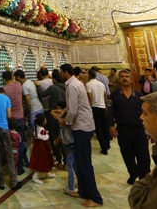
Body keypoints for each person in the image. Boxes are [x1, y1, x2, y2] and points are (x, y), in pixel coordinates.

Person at [59, 64, 103, 207]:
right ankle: (83, 191)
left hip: (82, 127)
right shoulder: (75, 83)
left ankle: (95, 198)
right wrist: (64, 111)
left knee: (84, 163)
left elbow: (73, 110)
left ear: (66, 72)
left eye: (61, 72)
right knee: (78, 162)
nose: (60, 75)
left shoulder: (72, 86)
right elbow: (73, 105)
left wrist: (64, 121)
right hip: (82, 125)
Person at [107, 70, 151, 184]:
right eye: (122, 77)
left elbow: (146, 113)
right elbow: (110, 111)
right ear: (119, 79)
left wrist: (149, 128)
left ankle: (144, 179)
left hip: (139, 130)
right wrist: (110, 125)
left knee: (143, 156)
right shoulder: (114, 95)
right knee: (127, 155)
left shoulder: (139, 96)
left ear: (131, 80)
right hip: (123, 130)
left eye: (127, 76)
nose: (124, 78)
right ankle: (133, 173)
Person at [0, 87, 23, 191]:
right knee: (9, 155)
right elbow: (9, 115)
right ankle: (13, 182)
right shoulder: (6, 98)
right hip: (3, 128)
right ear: (3, 92)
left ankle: (1, 183)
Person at [37, 72, 67, 168]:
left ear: (54, 79)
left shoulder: (53, 87)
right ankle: (66, 163)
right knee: (63, 137)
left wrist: (37, 86)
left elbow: (41, 94)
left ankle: (59, 160)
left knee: (54, 136)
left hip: (54, 114)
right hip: (64, 113)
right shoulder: (66, 86)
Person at [3, 69, 29, 173]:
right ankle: (20, 167)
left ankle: (12, 168)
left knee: (11, 144)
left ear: (4, 80)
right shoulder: (18, 85)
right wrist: (8, 68)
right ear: (12, 77)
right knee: (20, 143)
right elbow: (14, 79)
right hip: (20, 118)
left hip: (10, 120)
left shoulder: (4, 90)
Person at [52, 102, 76, 197]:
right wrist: (57, 140)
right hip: (66, 144)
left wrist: (54, 112)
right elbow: (61, 131)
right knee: (73, 165)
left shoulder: (67, 120)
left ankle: (71, 187)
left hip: (71, 145)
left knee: (70, 165)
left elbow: (59, 120)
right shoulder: (63, 121)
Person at [86, 69, 110, 155]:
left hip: (94, 107)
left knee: (98, 128)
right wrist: (106, 105)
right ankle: (107, 144)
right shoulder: (101, 84)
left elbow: (89, 97)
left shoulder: (88, 84)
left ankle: (104, 148)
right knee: (104, 127)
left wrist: (89, 108)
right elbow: (105, 95)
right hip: (102, 107)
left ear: (89, 75)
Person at [14, 69, 44, 134]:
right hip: (40, 108)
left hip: (34, 110)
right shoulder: (30, 81)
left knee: (36, 133)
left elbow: (28, 103)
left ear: (18, 76)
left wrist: (25, 114)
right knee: (42, 131)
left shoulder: (24, 86)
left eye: (16, 78)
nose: (15, 80)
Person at [29, 113, 55, 184]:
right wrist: (50, 150)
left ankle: (47, 173)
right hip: (42, 149)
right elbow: (46, 142)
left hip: (37, 147)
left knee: (45, 161)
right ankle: (35, 177)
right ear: (43, 121)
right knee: (41, 162)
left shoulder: (37, 127)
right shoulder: (42, 131)